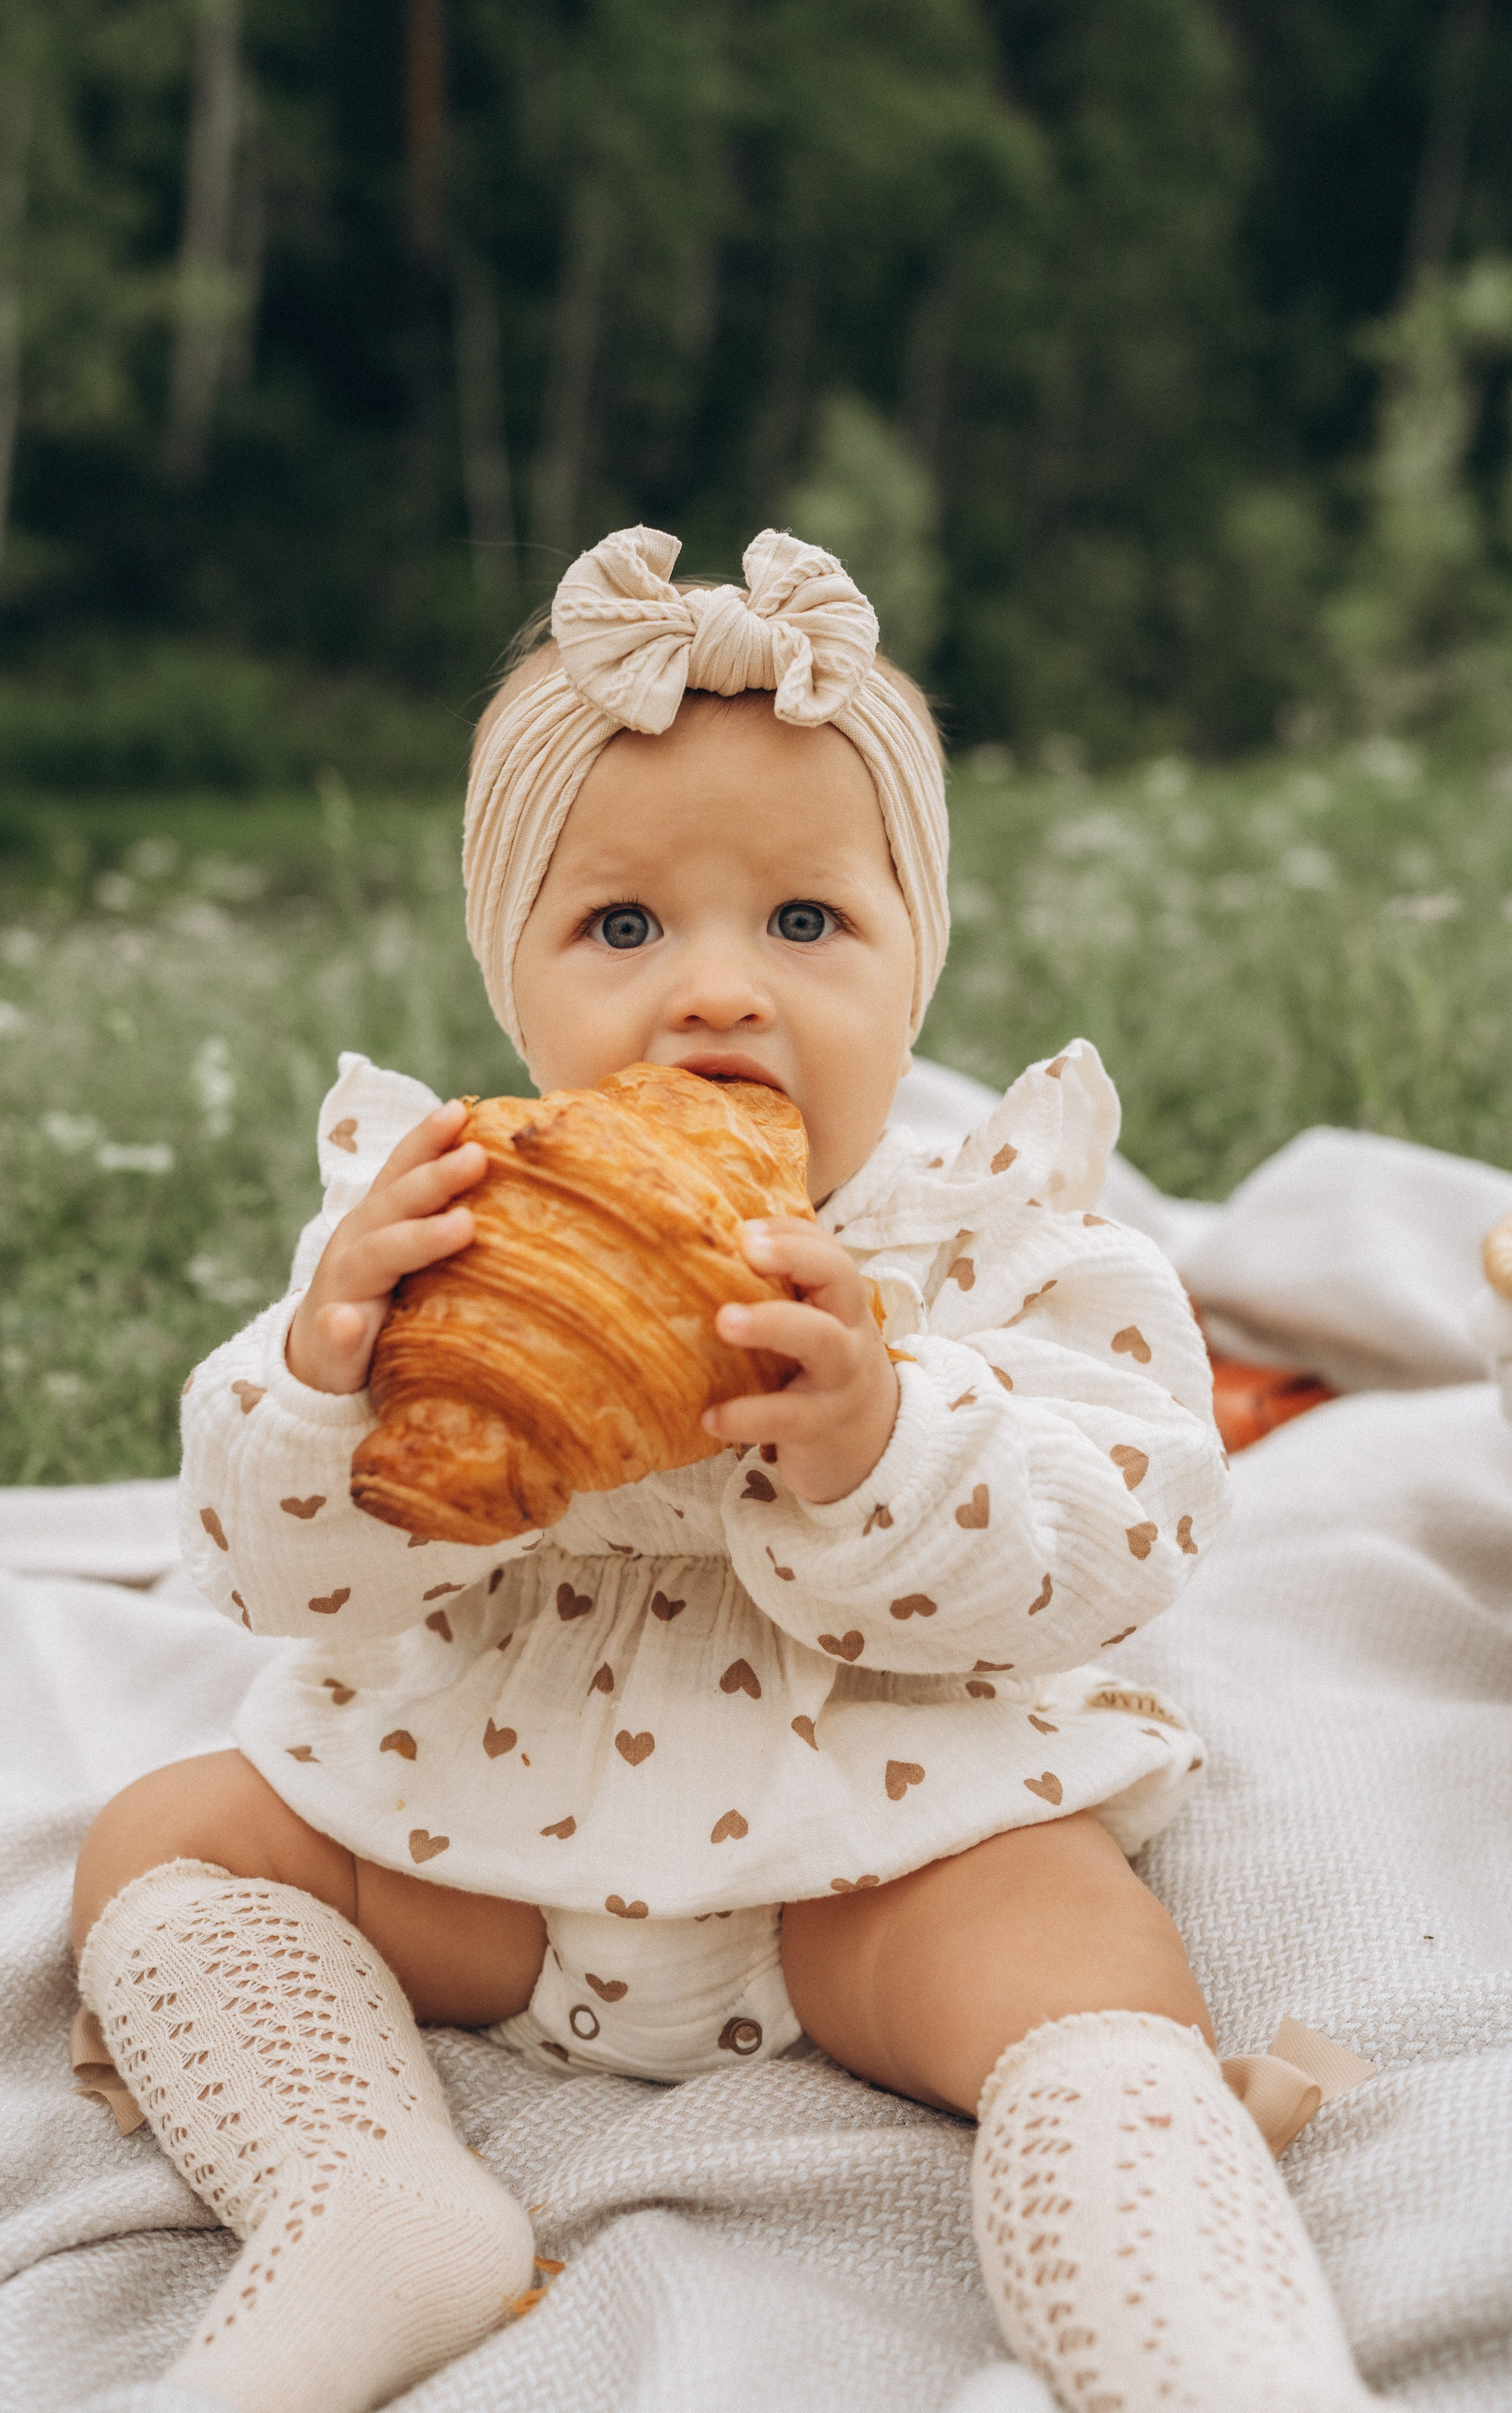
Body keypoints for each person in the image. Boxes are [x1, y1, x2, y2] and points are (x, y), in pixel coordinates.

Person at [72, 526, 1376, 2413]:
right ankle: (360, 2195)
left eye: (804, 923)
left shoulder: (1000, 1242)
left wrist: (881, 1441)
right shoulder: (429, 1221)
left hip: (873, 1850)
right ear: (509, 980)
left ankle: (1184, 2326)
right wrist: (325, 1382)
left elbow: (1122, 1539)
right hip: (485, 1843)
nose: (715, 995)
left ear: (915, 963)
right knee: (168, 1839)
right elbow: (269, 1579)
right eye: (620, 927)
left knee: (1083, 1949)